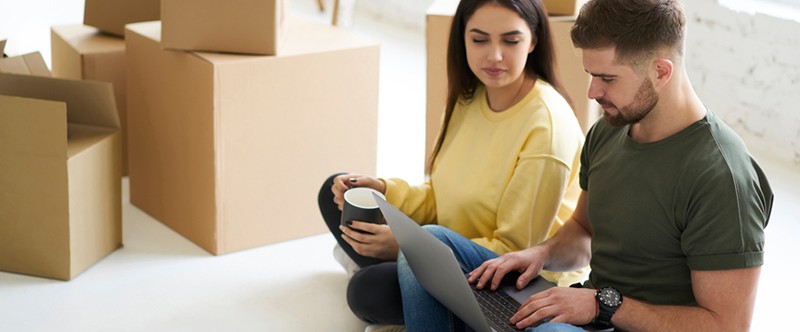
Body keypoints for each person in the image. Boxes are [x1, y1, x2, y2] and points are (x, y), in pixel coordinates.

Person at [402, 0, 774, 331]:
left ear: (661, 71)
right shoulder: (609, 129)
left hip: (615, 317)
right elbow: (583, 231)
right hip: (589, 313)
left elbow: (727, 325)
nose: (592, 92)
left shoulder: (722, 176)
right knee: (427, 246)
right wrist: (541, 254)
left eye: (607, 78)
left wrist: (603, 305)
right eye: (591, 75)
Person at [317, 0, 588, 329]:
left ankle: (402, 270)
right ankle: (408, 269)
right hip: (447, 245)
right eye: (479, 39)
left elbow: (516, 250)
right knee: (337, 191)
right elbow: (439, 196)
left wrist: (404, 246)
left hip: (513, 277)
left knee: (369, 290)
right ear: (463, 39)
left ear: (533, 41)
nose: (494, 55)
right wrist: (385, 191)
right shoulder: (468, 98)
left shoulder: (547, 125)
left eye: (510, 40)